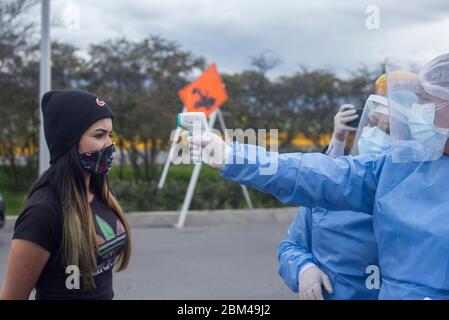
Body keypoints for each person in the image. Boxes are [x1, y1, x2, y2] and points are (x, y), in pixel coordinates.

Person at [186, 53, 449, 299]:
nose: (417, 108)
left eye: (424, 99)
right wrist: (233, 156)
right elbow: (316, 173)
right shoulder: (398, 169)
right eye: (372, 123)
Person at [0, 89, 132, 300]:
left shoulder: (100, 190)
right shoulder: (43, 212)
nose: (110, 144)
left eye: (110, 135)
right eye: (99, 135)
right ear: (68, 141)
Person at [279, 91, 390, 300]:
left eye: (389, 130)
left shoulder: (413, 199)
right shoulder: (328, 189)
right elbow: (291, 246)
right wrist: (304, 270)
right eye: (372, 123)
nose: (377, 134)